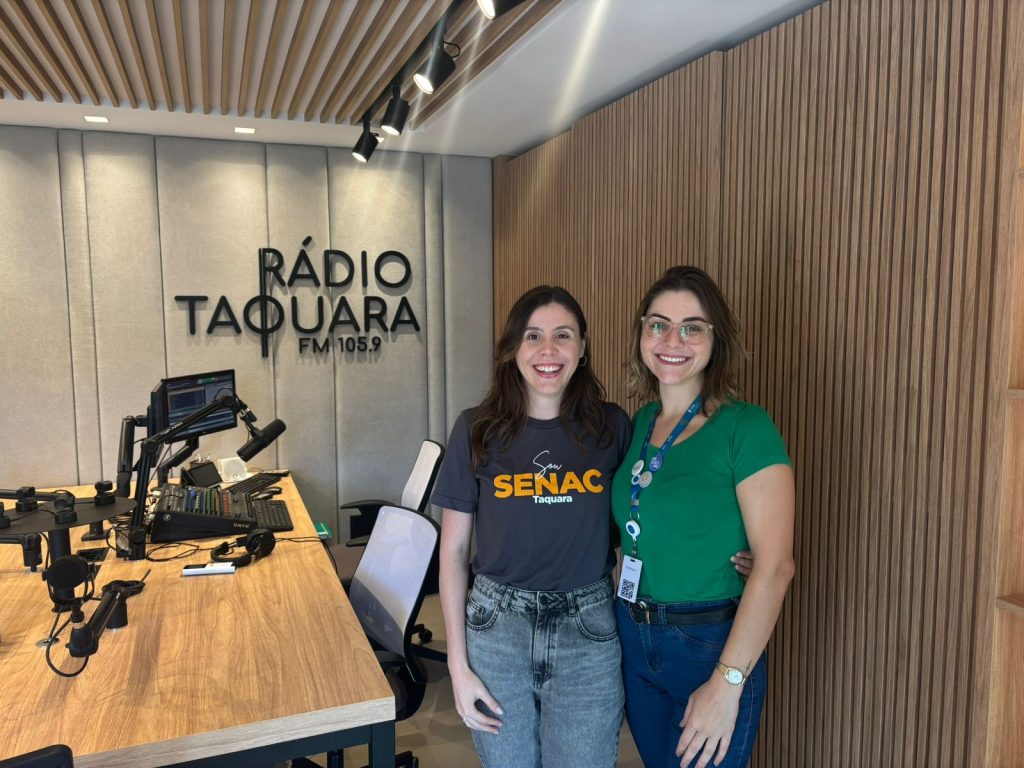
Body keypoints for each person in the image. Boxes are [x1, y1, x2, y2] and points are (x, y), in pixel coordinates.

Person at [433, 285, 631, 768]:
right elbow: (453, 553)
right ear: (512, 349)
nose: (548, 350)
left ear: (582, 347)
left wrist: (729, 550)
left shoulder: (612, 428)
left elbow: (649, 513)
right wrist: (457, 666)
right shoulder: (476, 430)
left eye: (563, 335)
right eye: (533, 336)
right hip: (497, 629)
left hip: (588, 630)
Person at [611, 266, 795, 768]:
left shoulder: (745, 428)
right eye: (658, 324)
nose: (673, 340)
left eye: (692, 327)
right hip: (634, 633)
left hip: (708, 643)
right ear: (642, 334)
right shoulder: (641, 422)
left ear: (717, 340)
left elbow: (776, 567)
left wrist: (727, 682)